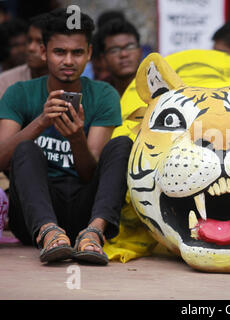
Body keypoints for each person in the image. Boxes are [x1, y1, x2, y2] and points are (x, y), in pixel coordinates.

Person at [0, 8, 132, 265]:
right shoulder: (19, 93)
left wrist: (76, 139)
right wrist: (40, 121)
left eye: (77, 52)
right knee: (26, 149)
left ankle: (95, 233)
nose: (69, 61)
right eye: (60, 52)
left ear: (90, 54)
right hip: (33, 217)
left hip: (85, 211)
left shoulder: (104, 95)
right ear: (43, 52)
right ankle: (49, 233)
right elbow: (1, 159)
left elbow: (89, 174)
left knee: (121, 145)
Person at [0, 13, 48, 98]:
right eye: (29, 41)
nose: (30, 48)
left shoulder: (69, 79)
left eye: (40, 42)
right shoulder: (5, 82)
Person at [96, 18, 142, 96]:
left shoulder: (157, 88)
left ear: (140, 51)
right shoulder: (99, 94)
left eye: (130, 47)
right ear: (103, 58)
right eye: (114, 50)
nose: (124, 54)